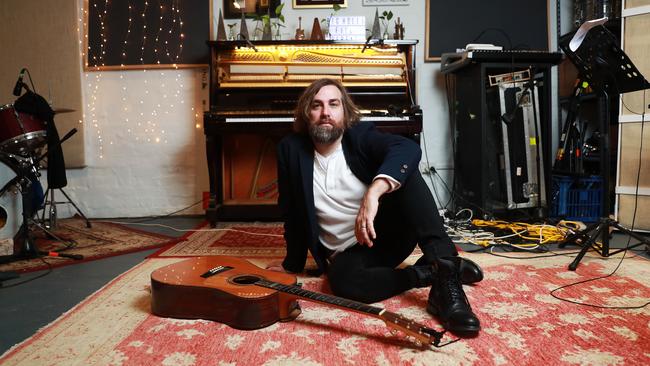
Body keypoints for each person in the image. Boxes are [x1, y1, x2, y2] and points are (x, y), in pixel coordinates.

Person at [268, 78, 482, 334]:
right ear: (307, 113)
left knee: (406, 170)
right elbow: (291, 211)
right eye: (317, 105)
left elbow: (406, 149)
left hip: (385, 237)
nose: (326, 112)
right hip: (346, 254)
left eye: (333, 104)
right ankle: (428, 273)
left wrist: (374, 192)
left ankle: (447, 279)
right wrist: (292, 264)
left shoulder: (359, 136)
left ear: (345, 112)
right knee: (343, 283)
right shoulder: (290, 150)